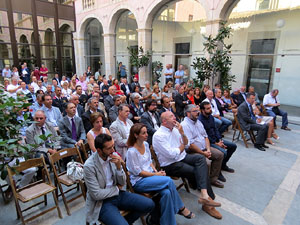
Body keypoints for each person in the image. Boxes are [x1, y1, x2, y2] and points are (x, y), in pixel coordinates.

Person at [152, 111, 222, 219]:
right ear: (164, 121)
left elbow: (186, 143)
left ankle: (204, 195)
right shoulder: (158, 135)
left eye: (174, 115)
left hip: (182, 157)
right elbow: (172, 154)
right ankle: (208, 204)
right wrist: (182, 146)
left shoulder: (176, 129)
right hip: (170, 164)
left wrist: (182, 133)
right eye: (171, 116)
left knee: (200, 159)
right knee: (197, 171)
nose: (175, 117)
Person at [126, 123, 195, 225]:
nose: (146, 135)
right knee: (168, 180)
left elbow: (149, 162)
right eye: (143, 133)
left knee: (166, 193)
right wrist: (156, 175)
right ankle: (181, 207)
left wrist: (156, 171)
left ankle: (168, 222)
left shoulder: (145, 145)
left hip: (150, 177)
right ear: (136, 135)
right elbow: (138, 172)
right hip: (139, 181)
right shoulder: (132, 152)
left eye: (146, 132)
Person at [83, 133, 154, 225]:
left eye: (113, 146)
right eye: (109, 148)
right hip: (102, 203)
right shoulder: (89, 166)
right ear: (99, 151)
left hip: (118, 195)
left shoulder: (112, 156)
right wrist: (116, 189)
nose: (113, 150)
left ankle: (126, 221)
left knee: (149, 204)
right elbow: (96, 194)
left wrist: (119, 167)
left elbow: (122, 182)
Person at [182, 105, 224, 188]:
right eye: (195, 111)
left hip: (204, 148)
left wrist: (208, 149)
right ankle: (203, 184)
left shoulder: (198, 122)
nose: (198, 113)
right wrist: (203, 153)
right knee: (206, 162)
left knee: (219, 154)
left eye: (198, 111)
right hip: (193, 151)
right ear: (188, 113)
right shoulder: (185, 125)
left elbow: (205, 137)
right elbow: (190, 145)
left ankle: (212, 179)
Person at [199, 101, 236, 179]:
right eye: (208, 108)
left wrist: (220, 140)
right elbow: (205, 136)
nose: (210, 110)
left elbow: (216, 129)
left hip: (216, 140)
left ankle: (223, 165)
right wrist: (216, 143)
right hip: (209, 142)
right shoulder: (200, 121)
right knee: (223, 153)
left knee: (233, 146)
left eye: (210, 108)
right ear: (202, 110)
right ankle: (217, 172)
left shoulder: (211, 117)